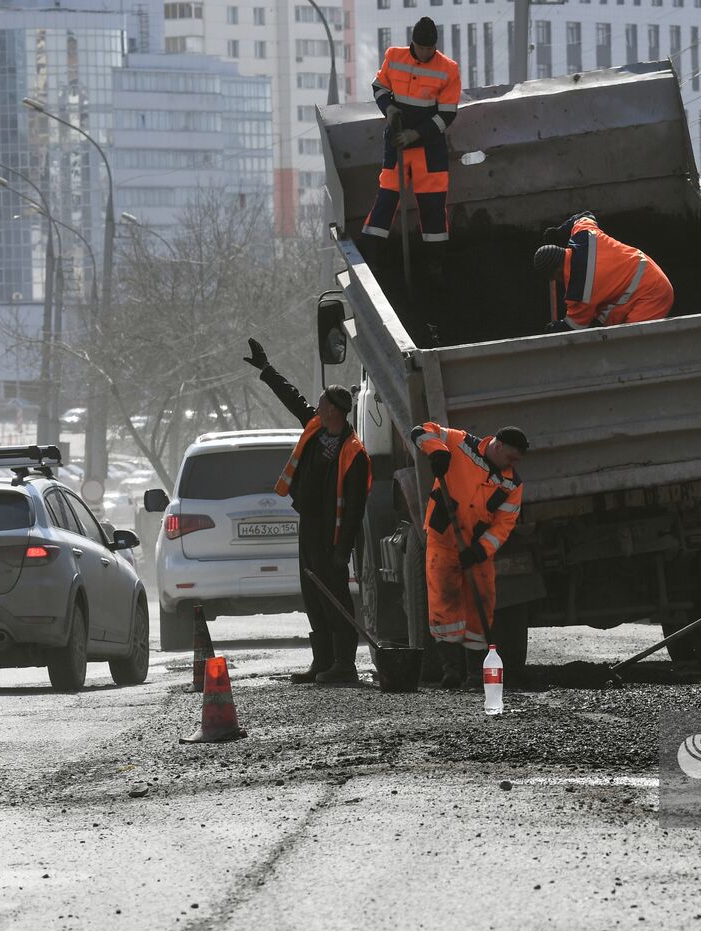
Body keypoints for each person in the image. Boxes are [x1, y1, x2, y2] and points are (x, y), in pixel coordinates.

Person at [244, 339, 372, 684]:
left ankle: (345, 665)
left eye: (321, 404)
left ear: (333, 410)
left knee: (335, 597)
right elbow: (294, 398)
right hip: (311, 525)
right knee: (313, 594)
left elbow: (356, 506)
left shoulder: (354, 453)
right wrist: (267, 370)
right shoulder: (316, 430)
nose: (315, 407)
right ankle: (323, 662)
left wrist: (342, 549)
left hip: (333, 534)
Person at [409, 421, 527, 688]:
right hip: (443, 538)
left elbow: (503, 525)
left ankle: (475, 673)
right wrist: (437, 451)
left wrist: (478, 551)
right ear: (497, 445)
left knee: (480, 605)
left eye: (516, 460)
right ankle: (450, 671)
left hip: (475, 548)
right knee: (444, 601)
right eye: (510, 457)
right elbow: (420, 431)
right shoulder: (460, 443)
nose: (512, 464)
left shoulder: (512, 485)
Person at [362, 17, 461, 267]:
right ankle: (372, 258)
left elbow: (447, 115)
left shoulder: (448, 69)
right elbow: (379, 87)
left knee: (433, 206)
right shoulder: (394, 57)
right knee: (386, 199)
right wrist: (389, 109)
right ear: (413, 43)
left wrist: (416, 134)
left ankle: (435, 266)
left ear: (435, 46)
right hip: (397, 143)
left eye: (430, 48)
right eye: (421, 47)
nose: (425, 52)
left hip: (430, 150)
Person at [533, 211, 674, 331]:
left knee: (631, 346)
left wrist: (555, 328)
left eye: (555, 278)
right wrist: (560, 232)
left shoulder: (581, 291)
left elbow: (575, 326)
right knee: (601, 315)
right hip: (647, 272)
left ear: (557, 271)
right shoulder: (584, 235)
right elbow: (584, 215)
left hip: (653, 294)